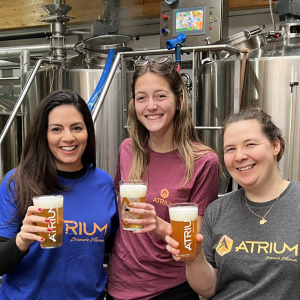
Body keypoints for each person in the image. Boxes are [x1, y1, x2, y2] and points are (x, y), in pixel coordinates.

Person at [106, 56, 219, 300]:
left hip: (170, 289)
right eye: (142, 98)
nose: (151, 106)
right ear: (133, 105)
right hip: (119, 283)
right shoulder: (127, 149)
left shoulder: (203, 161)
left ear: (179, 101)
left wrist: (157, 224)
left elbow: (192, 243)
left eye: (160, 96)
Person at [166, 107, 300, 299]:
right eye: (230, 149)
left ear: (275, 146)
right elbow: (208, 289)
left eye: (250, 144)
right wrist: (195, 259)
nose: (239, 156)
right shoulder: (216, 211)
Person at [0, 90, 119, 300]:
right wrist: (21, 240)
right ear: (43, 135)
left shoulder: (104, 183)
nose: (68, 137)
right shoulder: (17, 182)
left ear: (88, 132)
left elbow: (111, 246)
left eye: (76, 128)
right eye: (56, 129)